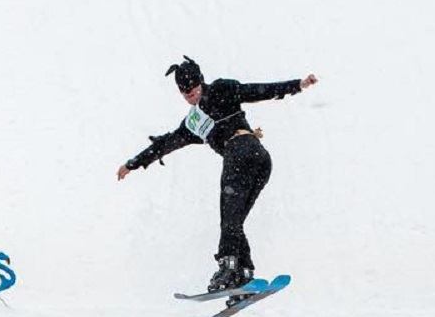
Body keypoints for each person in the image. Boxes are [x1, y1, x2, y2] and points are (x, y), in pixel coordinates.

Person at [117, 56, 318, 292]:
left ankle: (227, 268)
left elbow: (257, 91)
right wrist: (133, 163)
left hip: (243, 152)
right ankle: (244, 274)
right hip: (258, 160)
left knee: (229, 218)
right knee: (233, 221)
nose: (190, 95)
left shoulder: (223, 89)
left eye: (193, 89)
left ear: (201, 82)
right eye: (185, 93)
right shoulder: (193, 123)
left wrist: (297, 85)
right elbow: (167, 143)